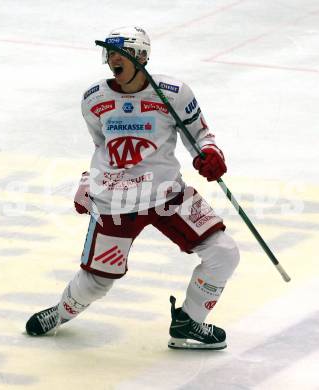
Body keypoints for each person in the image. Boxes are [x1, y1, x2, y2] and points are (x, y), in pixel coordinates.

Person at [26, 26, 240, 350]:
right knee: (98, 281)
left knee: (223, 253)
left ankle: (188, 323)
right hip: (117, 200)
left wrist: (210, 155)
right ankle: (60, 313)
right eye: (109, 53)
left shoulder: (174, 93)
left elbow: (201, 137)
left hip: (168, 193)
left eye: (120, 53)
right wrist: (89, 182)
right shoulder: (94, 98)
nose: (113, 59)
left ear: (141, 56)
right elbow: (101, 146)